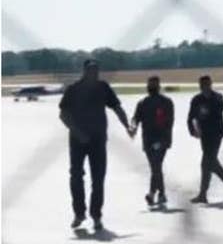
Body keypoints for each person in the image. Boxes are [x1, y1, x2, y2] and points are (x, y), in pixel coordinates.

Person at [59, 59, 134, 231]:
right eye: (91, 70)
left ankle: (96, 215)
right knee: (76, 176)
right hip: (78, 141)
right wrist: (78, 133)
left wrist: (127, 126)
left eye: (96, 70)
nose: (94, 73)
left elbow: (117, 107)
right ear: (84, 71)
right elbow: (63, 114)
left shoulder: (103, 88)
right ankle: (79, 213)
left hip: (98, 140)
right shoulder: (74, 89)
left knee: (98, 179)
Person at [188, 75, 223, 203]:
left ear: (211, 84)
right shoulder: (196, 99)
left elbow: (219, 109)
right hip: (204, 135)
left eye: (207, 84)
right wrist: (193, 130)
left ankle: (203, 194)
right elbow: (190, 117)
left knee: (207, 162)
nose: (205, 87)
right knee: (210, 163)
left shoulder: (218, 97)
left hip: (216, 134)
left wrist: (206, 106)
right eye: (202, 85)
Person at [132, 76, 174, 206]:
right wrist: (133, 128)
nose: (151, 88)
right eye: (150, 85)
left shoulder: (166, 102)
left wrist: (162, 140)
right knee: (155, 167)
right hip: (148, 140)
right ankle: (159, 194)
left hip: (161, 139)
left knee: (156, 166)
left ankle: (154, 193)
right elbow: (136, 118)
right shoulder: (143, 103)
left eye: (154, 85)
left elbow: (169, 122)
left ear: (158, 86)